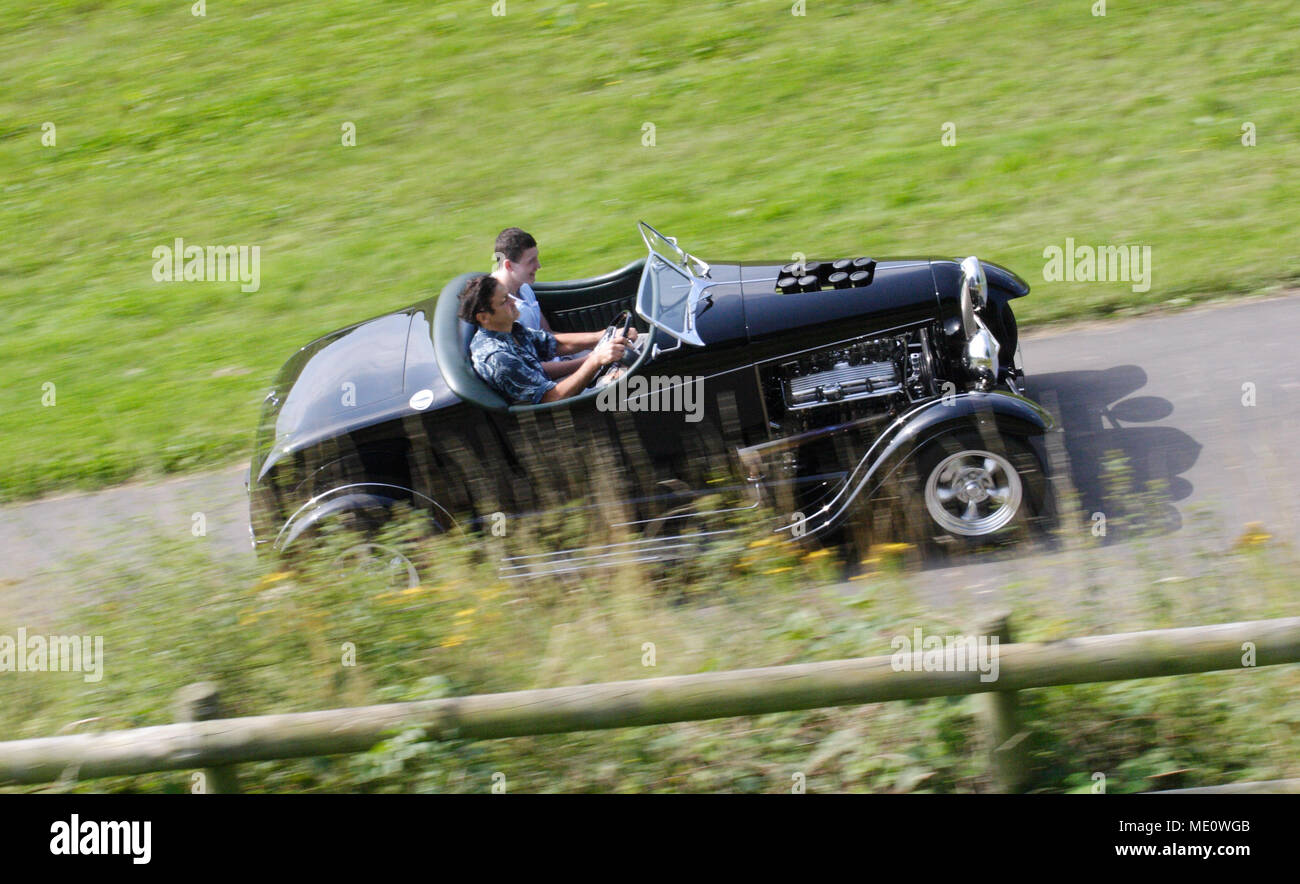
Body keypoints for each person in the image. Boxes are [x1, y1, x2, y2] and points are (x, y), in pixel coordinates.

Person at [459, 275, 633, 405]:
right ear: (484, 317)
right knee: (634, 377)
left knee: (634, 349)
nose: (513, 302)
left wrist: (605, 335)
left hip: (556, 390)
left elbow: (554, 344)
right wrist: (595, 360)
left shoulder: (508, 329)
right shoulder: (499, 358)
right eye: (504, 300)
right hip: (561, 409)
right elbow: (552, 399)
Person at [490, 227, 586, 378]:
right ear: (508, 265)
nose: (539, 265)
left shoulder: (525, 287)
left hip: (560, 360)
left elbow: (548, 334)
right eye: (531, 261)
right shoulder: (500, 309)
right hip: (549, 378)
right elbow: (531, 367)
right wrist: (589, 362)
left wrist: (595, 342)